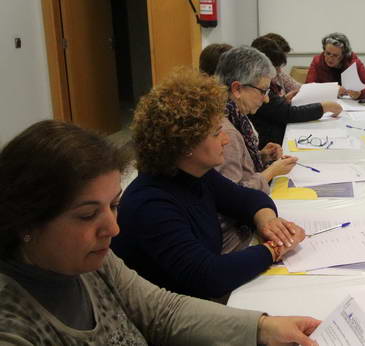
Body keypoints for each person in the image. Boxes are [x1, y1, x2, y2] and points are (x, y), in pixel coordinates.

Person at [0, 120, 319, 345]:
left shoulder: (95, 263)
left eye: (113, 205)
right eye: (87, 215)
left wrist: (261, 328)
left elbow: (162, 311)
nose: (113, 228)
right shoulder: (13, 325)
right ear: (27, 220)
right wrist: (272, 251)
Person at [113, 68, 306, 301]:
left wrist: (268, 221)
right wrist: (275, 248)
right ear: (185, 144)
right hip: (178, 318)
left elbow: (247, 199)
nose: (225, 139)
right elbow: (208, 275)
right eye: (216, 134)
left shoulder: (195, 174)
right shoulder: (150, 204)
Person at [212, 46, 300, 193]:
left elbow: (236, 167)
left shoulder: (234, 113)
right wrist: (271, 172)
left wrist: (261, 157)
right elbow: (231, 196)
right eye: (263, 91)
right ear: (237, 89)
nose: (266, 99)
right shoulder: (226, 132)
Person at [245, 38, 343, 148]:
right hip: (274, 141)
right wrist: (323, 107)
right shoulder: (257, 85)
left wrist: (282, 101)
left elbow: (277, 106)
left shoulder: (265, 81)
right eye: (276, 67)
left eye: (335, 55)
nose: (279, 71)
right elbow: (287, 113)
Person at [306, 32, 365, 100]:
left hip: (349, 106)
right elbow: (308, 88)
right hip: (326, 103)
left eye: (335, 55)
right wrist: (332, 90)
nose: (330, 58)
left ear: (343, 55)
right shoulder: (318, 61)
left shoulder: (352, 61)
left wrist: (360, 93)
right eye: (328, 53)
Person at [261, 32, 302, 99]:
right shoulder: (260, 82)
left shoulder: (280, 74)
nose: (280, 70)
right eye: (277, 64)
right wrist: (284, 101)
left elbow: (299, 88)